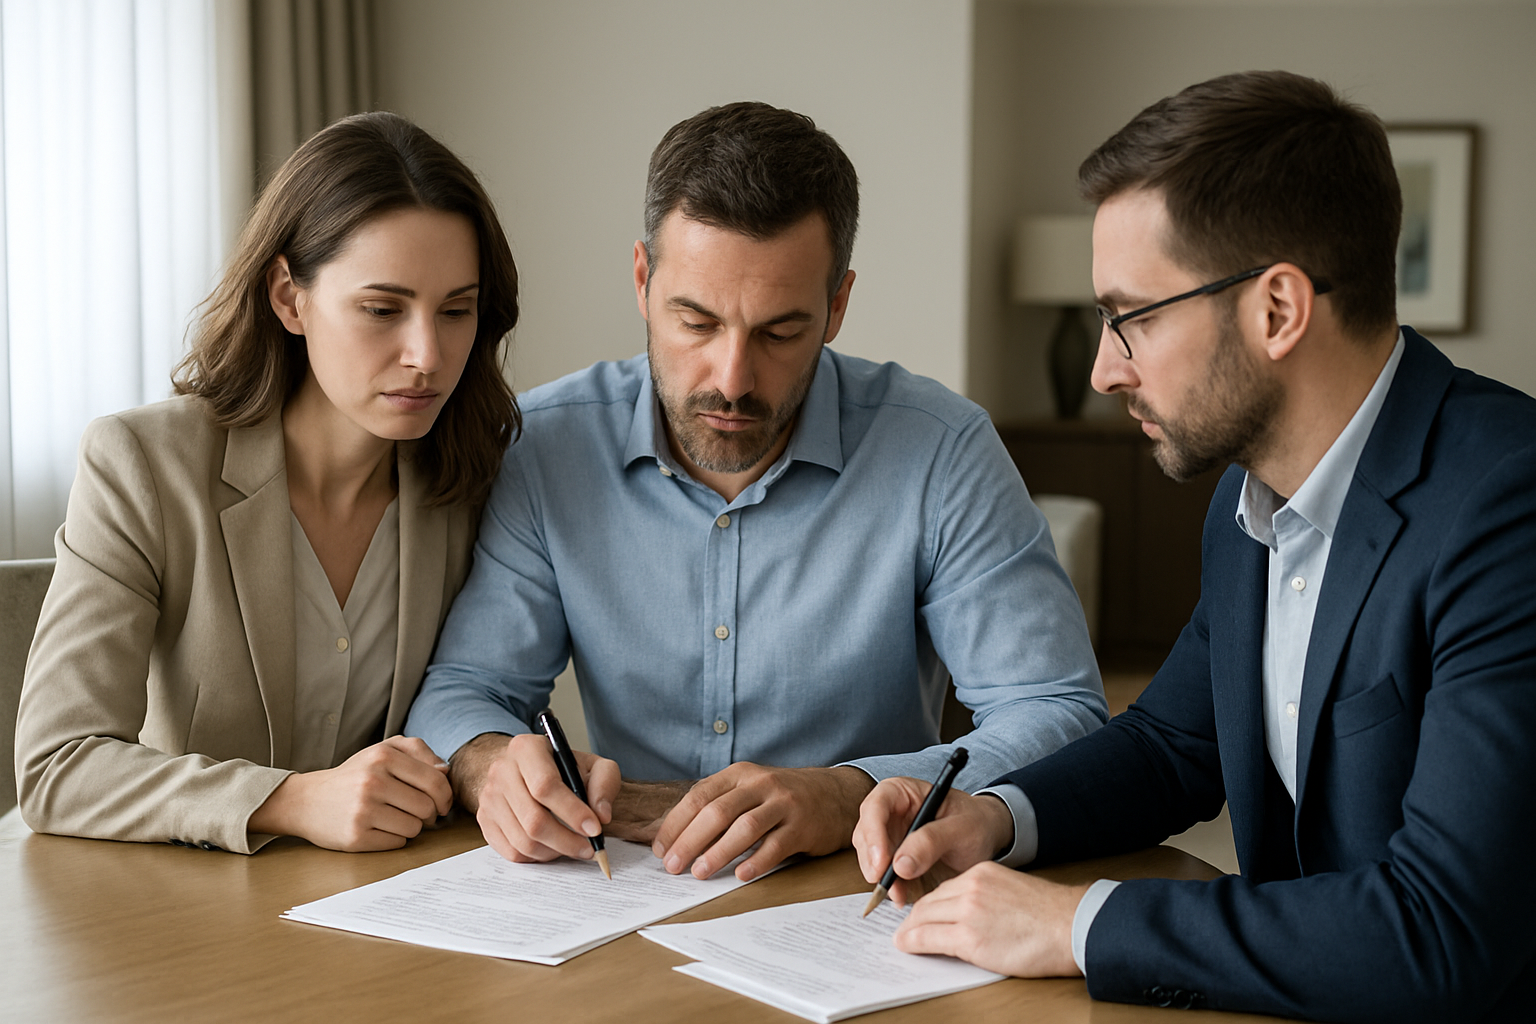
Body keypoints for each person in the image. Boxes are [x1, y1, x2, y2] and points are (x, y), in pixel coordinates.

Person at [853, 70, 1536, 1022]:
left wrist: (1077, 925)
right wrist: (993, 818)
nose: (1102, 367)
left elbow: (1439, 929)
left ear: (1277, 310)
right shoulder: (1246, 499)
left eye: (1132, 317)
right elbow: (1174, 743)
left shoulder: (1509, 505)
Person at [406, 101, 1105, 883]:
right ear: (643, 281)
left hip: (854, 891)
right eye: (696, 323)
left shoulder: (943, 451)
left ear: (837, 305)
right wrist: (490, 763)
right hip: (625, 884)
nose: (732, 380)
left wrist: (849, 793)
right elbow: (465, 689)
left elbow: (1059, 714)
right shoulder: (545, 446)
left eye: (779, 332)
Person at [14, 112, 522, 855]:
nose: (427, 354)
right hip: (179, 914)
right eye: (382, 309)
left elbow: (473, 707)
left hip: (388, 907)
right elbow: (57, 766)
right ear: (289, 297)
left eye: (456, 311)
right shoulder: (141, 466)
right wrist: (288, 799)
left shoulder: (475, 480)